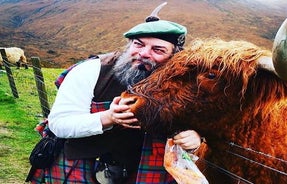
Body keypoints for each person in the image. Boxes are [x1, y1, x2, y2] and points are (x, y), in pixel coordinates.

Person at [28, 3, 204, 184]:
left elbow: (205, 122)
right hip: (81, 166)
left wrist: (197, 138)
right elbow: (59, 124)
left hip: (149, 171)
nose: (143, 53)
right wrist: (108, 117)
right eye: (138, 44)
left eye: (158, 50)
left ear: (175, 57)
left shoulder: (186, 83)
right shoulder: (92, 71)